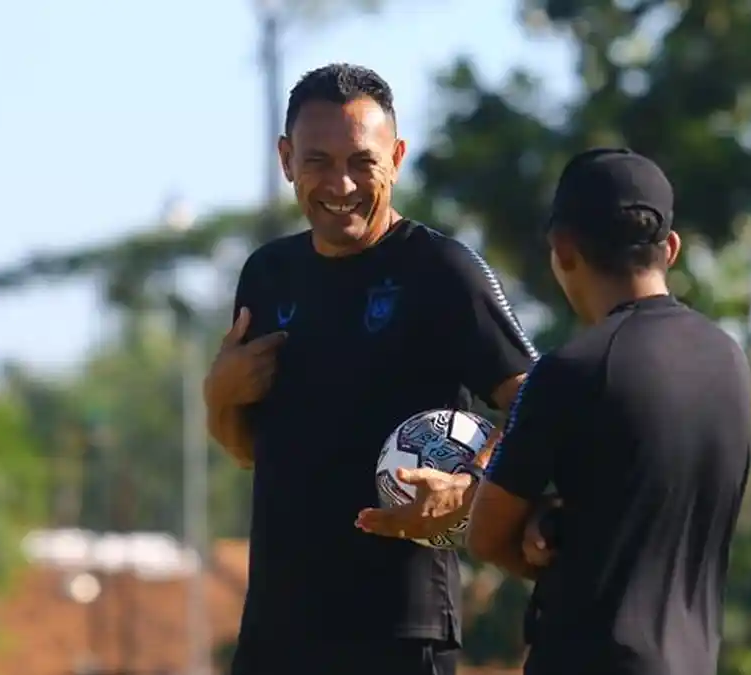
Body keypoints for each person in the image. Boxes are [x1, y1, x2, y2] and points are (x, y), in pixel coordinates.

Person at [202, 63, 536, 675]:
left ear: (398, 156)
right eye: (318, 161)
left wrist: (472, 484)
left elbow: (539, 403)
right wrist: (218, 397)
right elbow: (248, 448)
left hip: (400, 631)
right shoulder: (267, 276)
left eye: (362, 161)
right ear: (285, 159)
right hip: (277, 632)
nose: (341, 184)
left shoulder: (440, 271)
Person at [467, 148, 751, 675]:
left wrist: (531, 521)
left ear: (563, 248)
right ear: (670, 248)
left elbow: (486, 533)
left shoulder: (571, 371)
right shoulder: (730, 361)